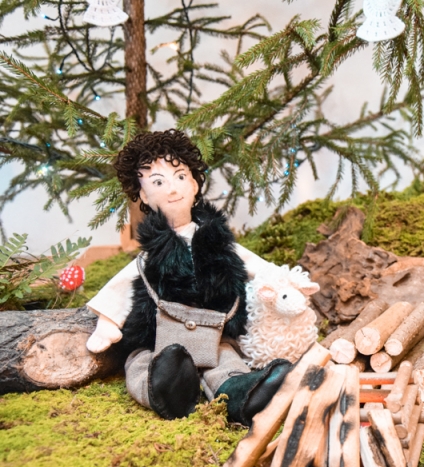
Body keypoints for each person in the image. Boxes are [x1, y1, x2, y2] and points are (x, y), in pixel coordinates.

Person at [85, 129, 289, 424]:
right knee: (142, 364)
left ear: (194, 184)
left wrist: (283, 281)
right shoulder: (152, 250)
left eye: (180, 176)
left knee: (226, 359)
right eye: (158, 182)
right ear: (143, 195)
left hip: (214, 332)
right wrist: (107, 323)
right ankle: (166, 389)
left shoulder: (214, 239)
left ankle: (241, 393)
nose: (172, 189)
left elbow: (252, 264)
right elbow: (126, 281)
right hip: (157, 338)